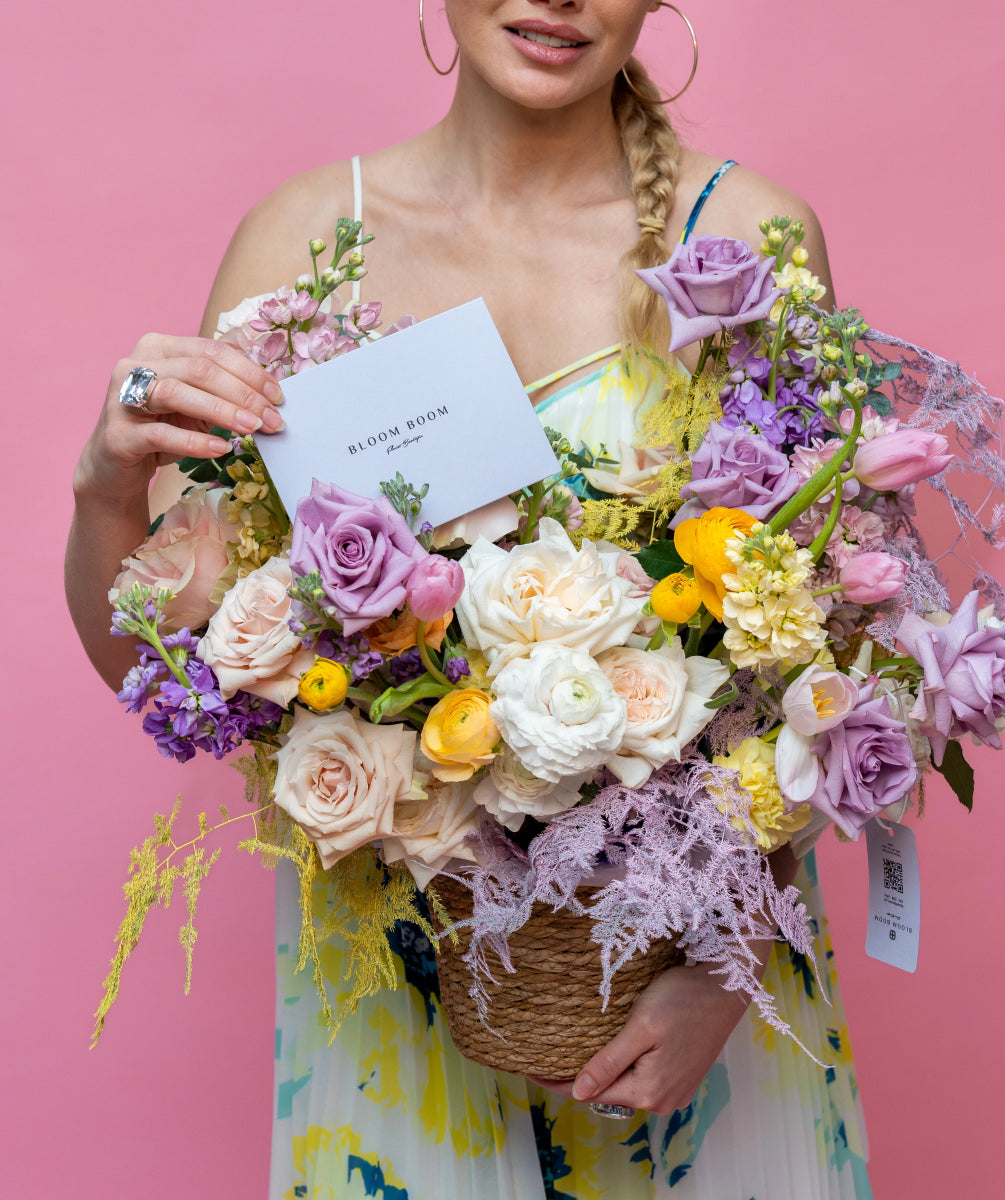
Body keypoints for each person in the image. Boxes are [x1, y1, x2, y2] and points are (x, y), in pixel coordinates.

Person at [67, 2, 872, 1195]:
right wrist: (104, 494)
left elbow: (827, 656)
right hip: (394, 986)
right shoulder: (303, 241)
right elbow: (157, 658)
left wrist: (724, 966)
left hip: (685, 990)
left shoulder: (747, 238)